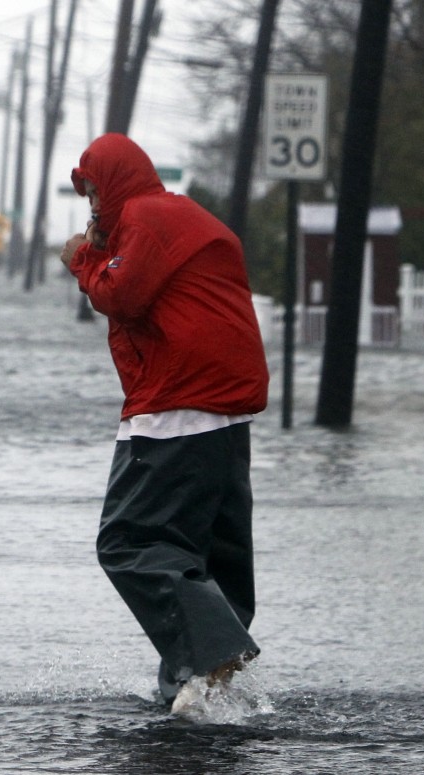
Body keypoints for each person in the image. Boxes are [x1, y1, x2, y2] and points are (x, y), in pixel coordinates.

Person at [59, 133, 270, 714]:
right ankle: (201, 691)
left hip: (178, 402)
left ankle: (214, 652)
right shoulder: (179, 215)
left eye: (95, 190)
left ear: (116, 183)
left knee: (129, 542)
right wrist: (104, 249)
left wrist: (82, 256)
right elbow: (145, 290)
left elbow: (120, 294)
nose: (92, 207)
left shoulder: (147, 219)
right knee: (204, 552)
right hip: (226, 408)